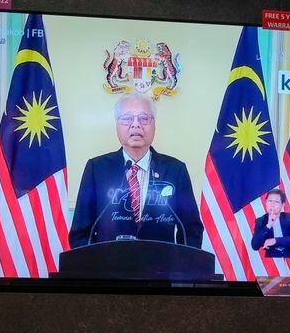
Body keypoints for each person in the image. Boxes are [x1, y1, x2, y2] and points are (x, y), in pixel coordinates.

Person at [68, 95, 203, 248]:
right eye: (127, 118)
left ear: (154, 126)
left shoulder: (175, 170)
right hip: (108, 268)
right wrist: (93, 269)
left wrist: (181, 269)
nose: (136, 125)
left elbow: (191, 230)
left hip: (162, 269)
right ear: (117, 126)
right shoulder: (96, 169)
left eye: (144, 118)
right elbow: (80, 233)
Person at [251, 188, 290, 257]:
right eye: (270, 201)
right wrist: (268, 225)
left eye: (276, 202)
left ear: (282, 205)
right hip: (272, 260)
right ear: (266, 202)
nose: (272, 204)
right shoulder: (260, 221)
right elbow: (255, 246)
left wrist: (275, 241)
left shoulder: (289, 218)